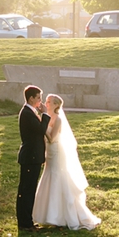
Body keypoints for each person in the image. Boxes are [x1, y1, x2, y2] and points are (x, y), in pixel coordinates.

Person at [32, 94, 101, 230]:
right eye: (46, 100)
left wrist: (42, 126)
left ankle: (60, 216)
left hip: (56, 152)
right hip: (49, 153)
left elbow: (52, 138)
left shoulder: (58, 120)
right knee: (49, 176)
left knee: (57, 176)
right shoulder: (48, 117)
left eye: (49, 101)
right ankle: (48, 216)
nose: (46, 103)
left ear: (56, 105)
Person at [16, 84, 50, 230]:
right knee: (27, 191)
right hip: (31, 158)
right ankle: (25, 223)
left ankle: (26, 221)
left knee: (28, 190)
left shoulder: (30, 112)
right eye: (38, 98)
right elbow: (41, 130)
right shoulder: (27, 114)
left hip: (33, 157)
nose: (40, 101)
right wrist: (46, 114)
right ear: (31, 99)